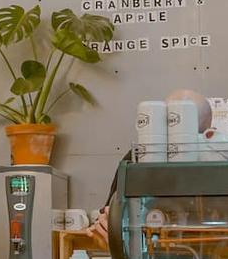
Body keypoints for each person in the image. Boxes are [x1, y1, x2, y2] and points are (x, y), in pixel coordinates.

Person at [86, 89, 213, 250]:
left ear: (208, 134)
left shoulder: (217, 164)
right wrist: (108, 235)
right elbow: (102, 230)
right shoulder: (136, 160)